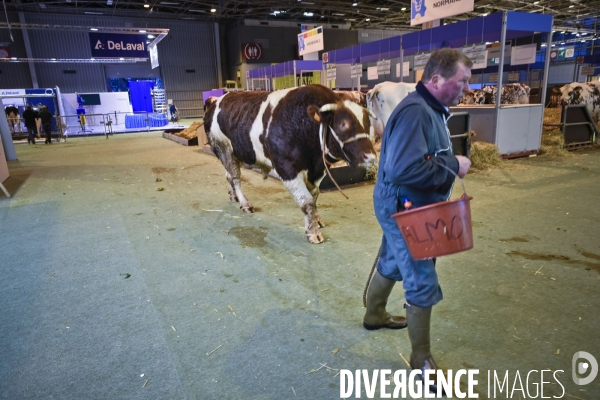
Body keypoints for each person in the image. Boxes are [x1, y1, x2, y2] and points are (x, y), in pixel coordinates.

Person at [363, 48, 472, 390]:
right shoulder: (416, 112)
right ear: (437, 79)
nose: (466, 88)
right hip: (403, 205)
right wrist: (455, 165)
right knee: (421, 278)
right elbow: (403, 169)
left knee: (393, 261)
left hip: (406, 202)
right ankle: (421, 360)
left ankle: (374, 314)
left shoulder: (429, 108)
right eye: (462, 81)